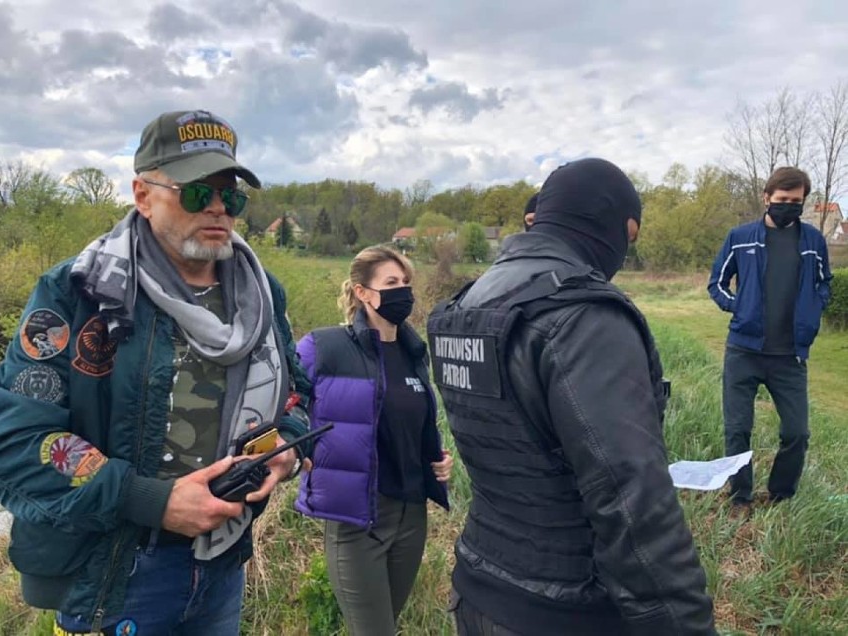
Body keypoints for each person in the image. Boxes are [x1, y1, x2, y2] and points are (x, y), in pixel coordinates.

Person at [0, 109, 314, 635]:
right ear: (143, 195)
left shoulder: (262, 295)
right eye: (196, 193)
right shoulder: (78, 292)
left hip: (222, 562)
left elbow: (298, 395)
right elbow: (14, 437)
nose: (217, 208)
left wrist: (285, 453)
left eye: (230, 196)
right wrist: (153, 500)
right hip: (115, 572)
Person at [428, 158, 716, 635]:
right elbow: (632, 504)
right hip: (563, 611)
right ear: (623, 227)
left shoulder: (464, 306)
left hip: (477, 589)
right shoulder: (583, 317)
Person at [294, 245, 453, 636]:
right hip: (358, 519)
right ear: (363, 292)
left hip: (411, 515)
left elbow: (409, 423)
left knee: (387, 626)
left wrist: (437, 460)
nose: (404, 292)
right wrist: (299, 450)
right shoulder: (325, 347)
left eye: (407, 283)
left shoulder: (415, 352)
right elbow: (286, 403)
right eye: (392, 283)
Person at [708, 166, 832, 507]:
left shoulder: (813, 241)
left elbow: (824, 283)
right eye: (782, 199)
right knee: (737, 430)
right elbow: (716, 283)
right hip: (743, 351)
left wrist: (813, 307)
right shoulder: (740, 236)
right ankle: (739, 499)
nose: (789, 205)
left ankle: (780, 495)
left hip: (790, 356)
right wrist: (740, 308)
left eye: (796, 201)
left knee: (797, 433)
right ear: (767, 198)